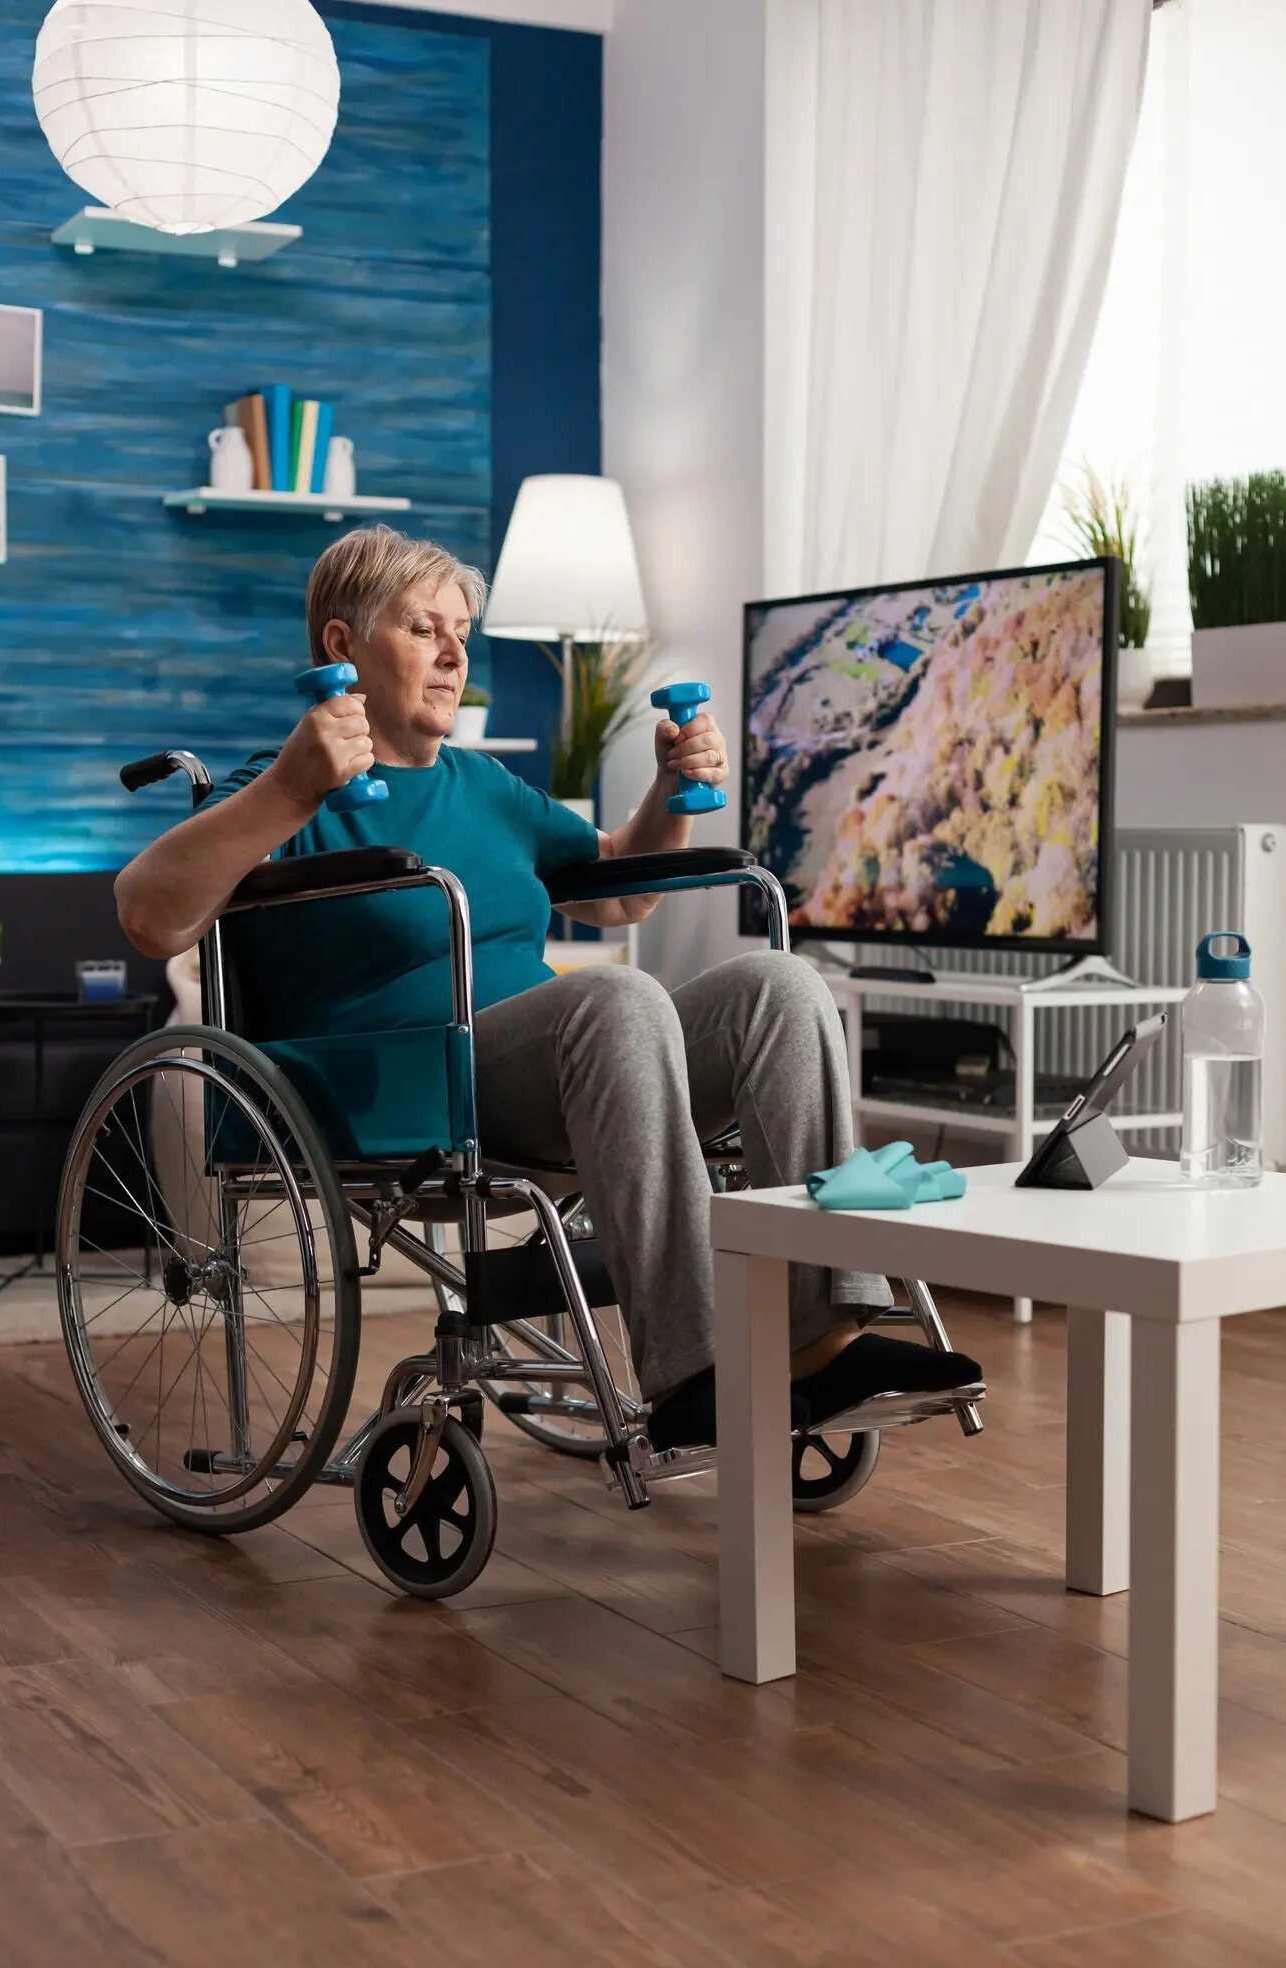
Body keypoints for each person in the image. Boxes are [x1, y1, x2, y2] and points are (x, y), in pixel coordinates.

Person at [117, 527, 981, 1448]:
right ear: (342, 645)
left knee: (783, 986)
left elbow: (619, 890)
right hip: (400, 1089)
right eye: (423, 629)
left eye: (461, 633)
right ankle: (694, 1373)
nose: (454, 656)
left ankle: (823, 1340)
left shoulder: (484, 786)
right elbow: (149, 915)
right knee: (616, 1000)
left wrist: (667, 789)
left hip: (570, 1066)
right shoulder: (279, 788)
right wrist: (294, 788)